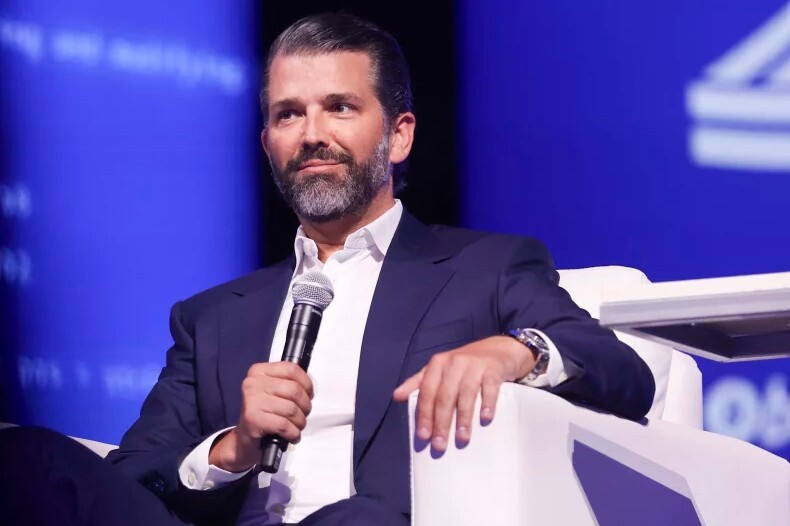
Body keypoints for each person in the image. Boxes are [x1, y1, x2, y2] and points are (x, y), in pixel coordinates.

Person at [0, 12, 655, 526]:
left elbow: (625, 376)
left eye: (339, 107)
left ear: (398, 135)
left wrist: (511, 353)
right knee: (26, 457)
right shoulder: (211, 317)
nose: (312, 133)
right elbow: (134, 474)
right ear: (268, 144)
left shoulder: (487, 266)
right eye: (289, 114)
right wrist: (232, 448)